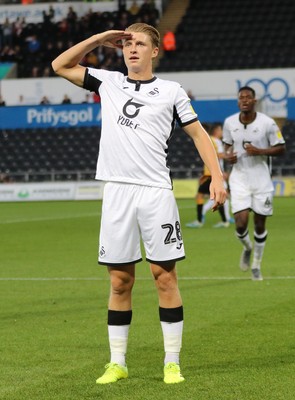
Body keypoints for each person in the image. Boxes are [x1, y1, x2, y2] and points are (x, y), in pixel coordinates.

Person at [52, 23, 226, 385]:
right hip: (117, 192)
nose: (132, 49)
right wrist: (101, 39)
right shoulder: (108, 81)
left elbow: (198, 134)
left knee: (164, 277)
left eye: (140, 44)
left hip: (155, 192)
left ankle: (172, 362)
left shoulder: (171, 91)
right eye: (127, 43)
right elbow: (60, 66)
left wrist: (218, 176)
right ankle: (117, 362)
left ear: (154, 51)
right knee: (119, 281)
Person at [223, 86, 286, 281]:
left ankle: (257, 265)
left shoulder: (267, 123)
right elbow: (226, 145)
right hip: (239, 179)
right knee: (241, 224)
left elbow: (281, 148)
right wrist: (228, 156)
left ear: (254, 101)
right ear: (238, 101)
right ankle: (247, 248)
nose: (244, 100)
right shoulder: (229, 122)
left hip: (261, 181)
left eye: (248, 97)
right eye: (241, 98)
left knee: (259, 224)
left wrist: (260, 151)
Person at [186, 123, 231, 228]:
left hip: (212, 174)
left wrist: (220, 170)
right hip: (209, 174)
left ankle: (200, 220)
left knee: (201, 195)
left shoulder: (210, 140)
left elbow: (217, 156)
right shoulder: (212, 140)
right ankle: (224, 220)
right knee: (217, 197)